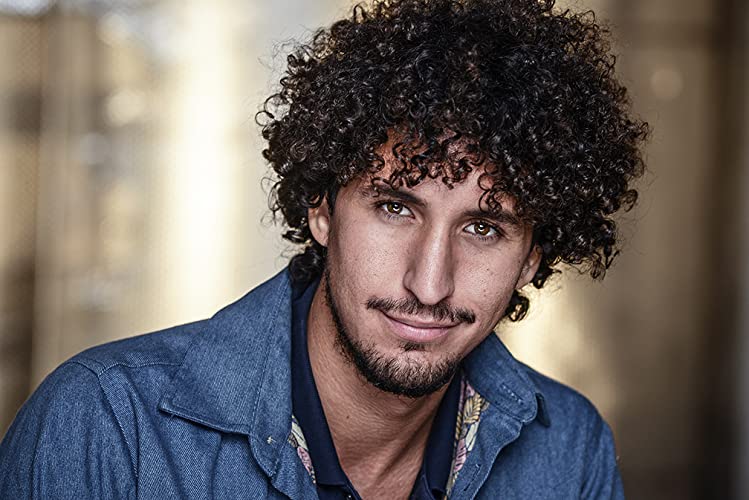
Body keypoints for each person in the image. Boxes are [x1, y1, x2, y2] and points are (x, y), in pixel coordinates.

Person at [0, 0, 648, 498]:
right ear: (321, 208)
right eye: (395, 208)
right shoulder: (107, 425)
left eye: (483, 228)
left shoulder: (568, 449)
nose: (429, 284)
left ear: (532, 257)